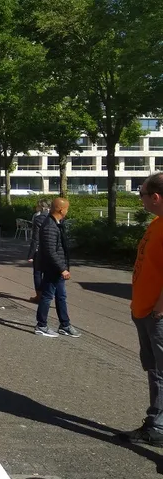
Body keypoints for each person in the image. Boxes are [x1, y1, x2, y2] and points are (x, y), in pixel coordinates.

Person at [119, 173, 163, 446]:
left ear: (155, 197)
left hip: (156, 313)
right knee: (154, 370)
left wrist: (159, 308)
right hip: (144, 310)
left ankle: (157, 425)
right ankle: (155, 423)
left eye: (142, 195)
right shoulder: (156, 224)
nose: (141, 200)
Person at [35, 198, 80, 338]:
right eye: (67, 209)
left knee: (61, 296)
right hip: (52, 268)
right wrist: (62, 268)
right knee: (47, 297)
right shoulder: (50, 226)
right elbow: (50, 251)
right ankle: (41, 325)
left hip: (57, 268)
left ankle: (65, 325)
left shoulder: (56, 224)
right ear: (61, 209)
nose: (67, 211)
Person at [27, 199, 51, 303]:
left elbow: (35, 238)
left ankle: (39, 296)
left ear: (41, 207)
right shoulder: (56, 217)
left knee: (37, 273)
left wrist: (31, 254)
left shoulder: (38, 218)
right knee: (49, 273)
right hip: (53, 250)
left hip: (40, 250)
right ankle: (48, 295)